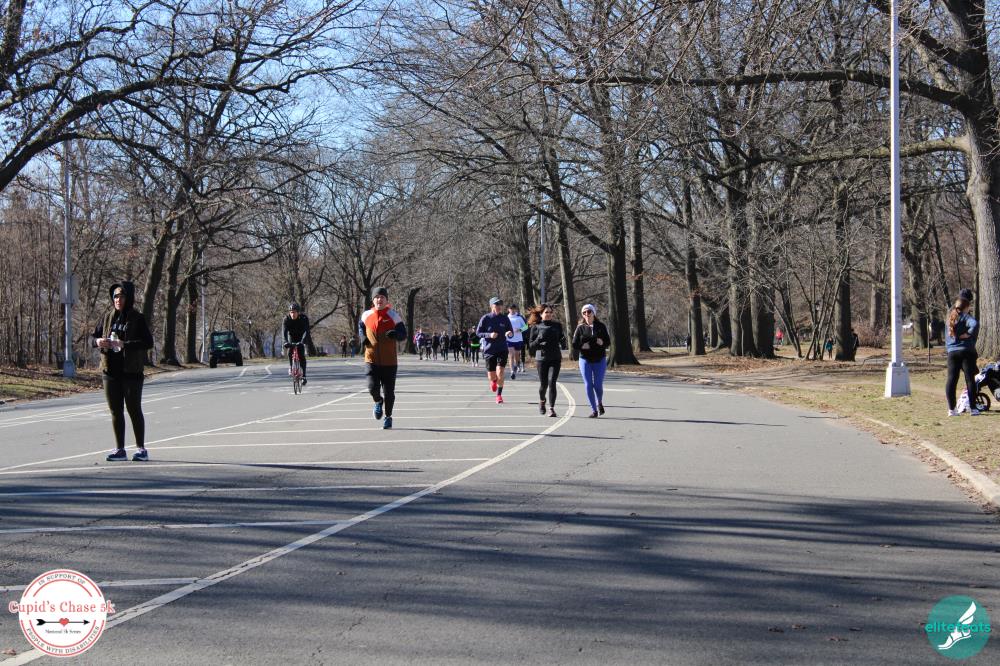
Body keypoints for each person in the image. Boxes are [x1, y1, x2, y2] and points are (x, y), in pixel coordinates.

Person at [93, 281, 155, 461]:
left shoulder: (137, 318)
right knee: (115, 411)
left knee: (134, 409)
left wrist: (124, 344)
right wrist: (98, 342)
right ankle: (120, 449)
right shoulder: (107, 317)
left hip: (131, 372)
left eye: (121, 296)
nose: (118, 300)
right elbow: (93, 337)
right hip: (110, 371)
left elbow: (147, 342)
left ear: (129, 298)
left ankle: (141, 449)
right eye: (115, 296)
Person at [359, 286, 407, 429]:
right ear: (373, 300)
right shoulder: (366, 315)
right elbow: (361, 328)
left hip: (389, 361)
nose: (379, 299)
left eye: (382, 297)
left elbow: (403, 334)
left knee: (389, 393)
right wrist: (363, 338)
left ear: (386, 300)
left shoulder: (394, 316)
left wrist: (396, 334)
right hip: (371, 359)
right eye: (377, 297)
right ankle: (378, 401)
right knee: (371, 387)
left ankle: (388, 417)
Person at [572, 303, 611, 418]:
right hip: (585, 359)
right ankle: (594, 410)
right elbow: (574, 344)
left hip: (600, 359)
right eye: (584, 312)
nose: (587, 314)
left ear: (593, 313)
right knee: (588, 384)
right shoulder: (580, 328)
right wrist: (582, 346)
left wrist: (602, 343)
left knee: (598, 385)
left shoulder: (601, 326)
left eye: (589, 311)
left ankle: (599, 402)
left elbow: (608, 342)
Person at [527, 303, 567, 417]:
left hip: (555, 358)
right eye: (546, 312)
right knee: (543, 385)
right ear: (541, 314)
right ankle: (542, 401)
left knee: (552, 382)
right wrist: (538, 340)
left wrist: (563, 341)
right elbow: (531, 346)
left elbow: (562, 341)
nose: (548, 314)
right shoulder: (536, 327)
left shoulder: (557, 325)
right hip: (542, 359)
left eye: (550, 312)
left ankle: (552, 408)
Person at [945, 288, 980, 416]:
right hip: (966, 351)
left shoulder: (949, 317)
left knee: (951, 379)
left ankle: (951, 410)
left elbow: (947, 336)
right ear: (967, 305)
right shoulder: (966, 316)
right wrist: (968, 334)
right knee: (970, 379)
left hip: (952, 353)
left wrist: (950, 348)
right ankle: (973, 408)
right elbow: (975, 324)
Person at [476, 296, 514, 404]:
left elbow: (510, 331)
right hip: (489, 350)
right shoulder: (485, 318)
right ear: (491, 306)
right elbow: (478, 333)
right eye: (496, 304)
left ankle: (499, 395)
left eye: (500, 304)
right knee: (492, 375)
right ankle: (493, 381)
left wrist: (509, 333)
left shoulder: (505, 318)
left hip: (502, 348)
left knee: (500, 372)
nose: (499, 306)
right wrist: (489, 335)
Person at [282, 303, 311, 385]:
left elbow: (306, 331)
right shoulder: (286, 319)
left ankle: (304, 376)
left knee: (301, 355)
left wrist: (303, 341)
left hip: (301, 336)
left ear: (298, 312)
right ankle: (291, 367)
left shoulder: (304, 318)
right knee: (290, 351)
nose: (292, 314)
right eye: (291, 312)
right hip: (291, 336)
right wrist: (285, 342)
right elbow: (284, 332)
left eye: (294, 312)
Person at [507, 303, 528, 378]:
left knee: (517, 355)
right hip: (509, 339)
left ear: (515, 309)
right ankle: (512, 371)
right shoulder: (506, 318)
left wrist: (519, 330)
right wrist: (506, 332)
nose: (512, 310)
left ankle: (516, 365)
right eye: (511, 309)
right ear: (508, 310)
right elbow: (503, 328)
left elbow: (526, 327)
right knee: (511, 355)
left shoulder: (519, 317)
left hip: (518, 339)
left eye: (514, 309)